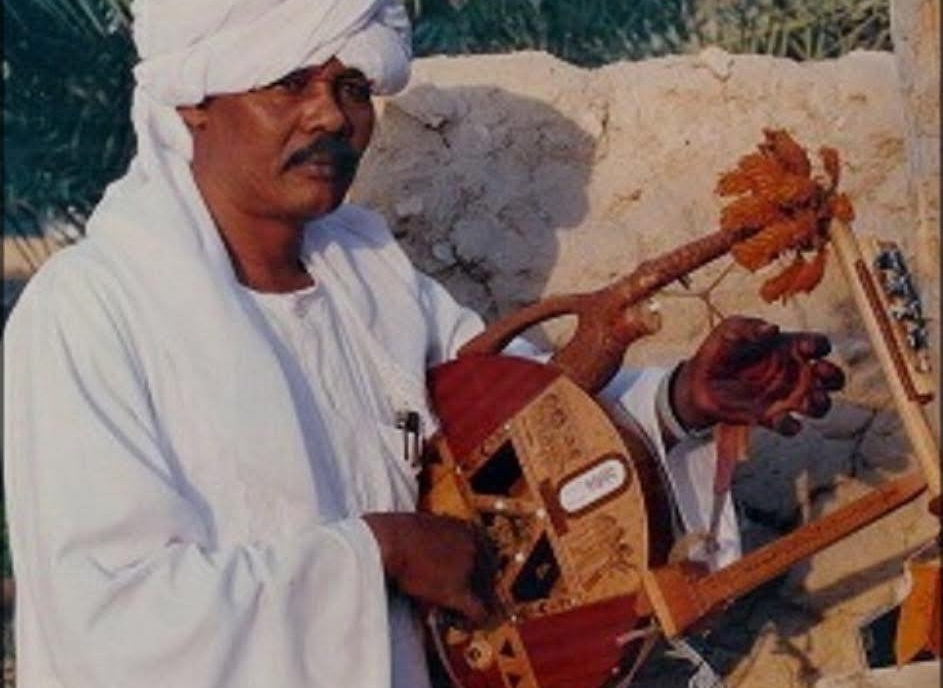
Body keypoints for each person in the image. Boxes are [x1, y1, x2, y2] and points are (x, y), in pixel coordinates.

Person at [2, 1, 845, 687]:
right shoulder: (91, 312)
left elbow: (514, 441)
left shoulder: (372, 280)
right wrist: (379, 552)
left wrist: (683, 403)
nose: (332, 116)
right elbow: (108, 623)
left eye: (352, 86)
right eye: (290, 82)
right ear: (194, 97)